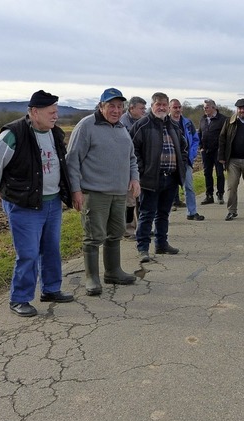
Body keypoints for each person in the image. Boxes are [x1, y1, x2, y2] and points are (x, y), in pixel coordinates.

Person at [0, 91, 73, 317]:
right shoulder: (14, 134)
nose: (56, 115)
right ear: (34, 112)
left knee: (51, 249)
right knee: (29, 253)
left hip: (52, 202)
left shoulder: (55, 133)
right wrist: (5, 193)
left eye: (56, 111)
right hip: (24, 206)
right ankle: (19, 298)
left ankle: (51, 289)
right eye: (51, 111)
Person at [66, 88, 140, 296]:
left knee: (115, 233)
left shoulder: (122, 128)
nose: (116, 110)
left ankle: (113, 271)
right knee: (93, 235)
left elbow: (131, 158)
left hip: (119, 193)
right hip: (94, 192)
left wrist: (134, 178)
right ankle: (92, 277)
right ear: (101, 106)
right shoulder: (86, 126)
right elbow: (72, 161)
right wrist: (76, 190)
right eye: (111, 106)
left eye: (119, 106)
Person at [130, 92, 187, 263]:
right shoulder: (142, 125)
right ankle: (143, 248)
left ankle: (162, 244)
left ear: (168, 106)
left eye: (164, 104)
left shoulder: (174, 126)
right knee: (147, 214)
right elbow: (133, 151)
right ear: (152, 106)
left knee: (163, 213)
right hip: (150, 179)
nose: (161, 108)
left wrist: (181, 164)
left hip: (170, 178)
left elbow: (183, 147)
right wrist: (142, 170)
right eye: (158, 104)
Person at [169, 99, 204, 221]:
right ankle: (164, 217)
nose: (178, 109)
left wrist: (192, 154)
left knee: (189, 187)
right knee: (168, 189)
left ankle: (192, 212)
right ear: (170, 108)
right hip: (170, 162)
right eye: (175, 107)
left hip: (185, 160)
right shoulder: (164, 123)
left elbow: (195, 139)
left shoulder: (188, 123)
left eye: (179, 107)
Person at [120, 96, 147, 237]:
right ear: (131, 108)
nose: (144, 111)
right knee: (130, 202)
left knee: (141, 200)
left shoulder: (144, 122)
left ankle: (142, 227)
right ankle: (128, 230)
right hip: (127, 167)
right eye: (141, 108)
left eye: (145, 108)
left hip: (141, 166)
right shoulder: (122, 123)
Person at [198, 98, 228, 205]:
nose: (204, 109)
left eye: (206, 107)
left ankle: (220, 194)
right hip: (206, 151)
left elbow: (226, 136)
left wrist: (223, 151)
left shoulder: (223, 119)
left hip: (218, 151)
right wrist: (201, 147)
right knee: (207, 173)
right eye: (204, 107)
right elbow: (200, 134)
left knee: (219, 173)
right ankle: (209, 195)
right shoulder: (203, 119)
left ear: (213, 107)